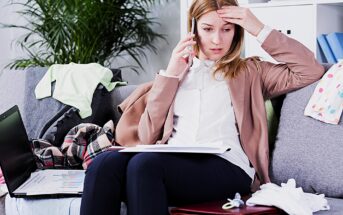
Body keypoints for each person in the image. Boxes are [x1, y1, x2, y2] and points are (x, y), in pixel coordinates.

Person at [80, 0, 324, 214]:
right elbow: (146, 136)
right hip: (170, 164)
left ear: (237, 31)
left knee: (145, 165)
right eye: (208, 29)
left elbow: (309, 70)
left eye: (226, 30)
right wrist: (170, 75)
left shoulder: (251, 72)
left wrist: (258, 28)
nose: (217, 40)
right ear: (193, 29)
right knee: (103, 165)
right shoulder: (173, 75)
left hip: (228, 167)